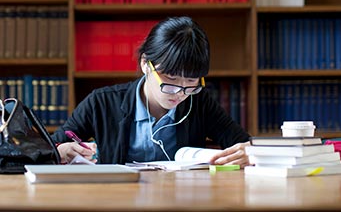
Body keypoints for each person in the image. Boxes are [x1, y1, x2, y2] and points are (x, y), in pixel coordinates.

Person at [52, 16, 251, 167]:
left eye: (191, 81)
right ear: (146, 64)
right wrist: (60, 150)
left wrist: (248, 151)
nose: (180, 93)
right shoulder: (102, 102)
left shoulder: (198, 102)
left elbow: (242, 143)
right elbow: (49, 147)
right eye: (171, 79)